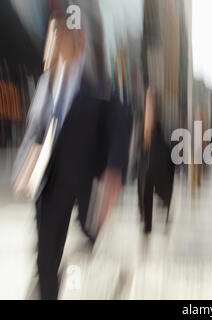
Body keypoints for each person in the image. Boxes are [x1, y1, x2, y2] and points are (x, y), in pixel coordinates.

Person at [12, 15, 131, 300]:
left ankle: (110, 279)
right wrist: (22, 171)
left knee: (89, 248)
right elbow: (34, 132)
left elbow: (119, 123)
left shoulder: (97, 83)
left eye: (58, 36)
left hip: (84, 187)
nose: (51, 43)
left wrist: (113, 172)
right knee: (45, 259)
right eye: (51, 37)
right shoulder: (44, 84)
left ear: (76, 43)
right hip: (49, 185)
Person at [138, 88, 175, 234]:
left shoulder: (163, 122)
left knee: (162, 189)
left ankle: (164, 207)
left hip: (160, 161)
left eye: (151, 101)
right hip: (146, 161)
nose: (149, 105)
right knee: (144, 190)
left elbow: (170, 142)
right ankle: (147, 224)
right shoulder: (142, 118)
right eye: (148, 101)